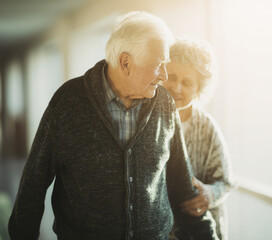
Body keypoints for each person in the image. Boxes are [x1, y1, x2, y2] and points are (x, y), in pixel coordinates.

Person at [8, 12, 218, 240]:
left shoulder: (164, 103)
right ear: (126, 62)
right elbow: (34, 184)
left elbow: (181, 183)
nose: (164, 76)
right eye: (159, 65)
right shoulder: (68, 102)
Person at [162, 38, 233, 240]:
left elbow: (225, 182)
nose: (176, 87)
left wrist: (210, 194)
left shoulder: (208, 127)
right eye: (172, 77)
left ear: (199, 89)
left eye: (187, 82)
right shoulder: (148, 120)